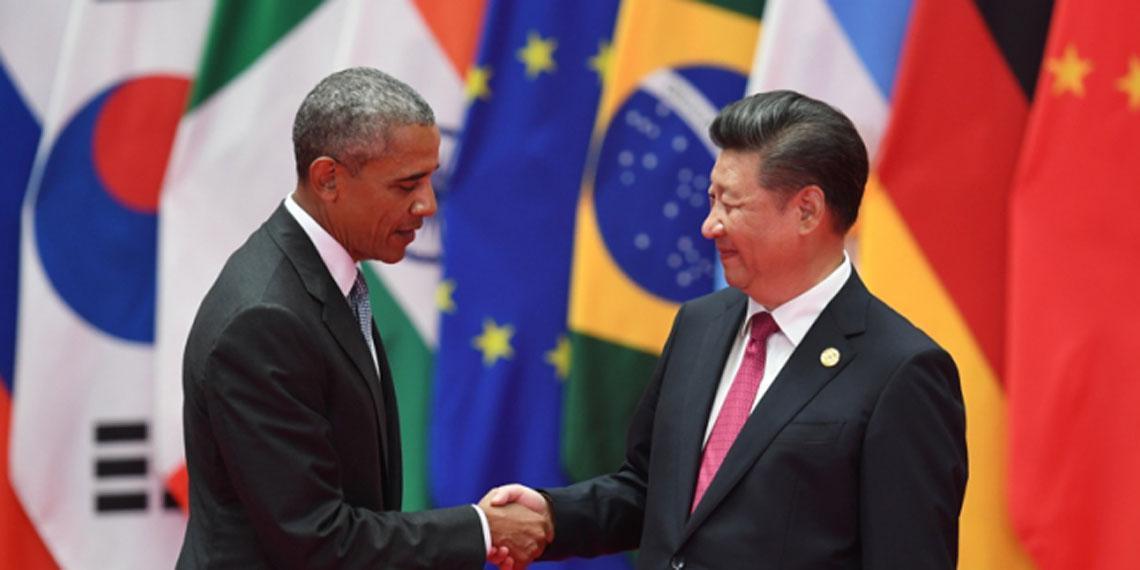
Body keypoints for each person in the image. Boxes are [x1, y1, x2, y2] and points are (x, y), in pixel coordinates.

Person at [488, 90, 968, 569]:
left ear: (807, 210)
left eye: (731, 205)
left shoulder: (902, 371)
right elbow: (655, 491)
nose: (709, 226)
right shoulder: (701, 324)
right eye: (711, 199)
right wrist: (553, 516)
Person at [177, 67, 549, 569]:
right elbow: (316, 540)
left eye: (431, 179)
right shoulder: (265, 319)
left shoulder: (328, 275)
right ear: (328, 179)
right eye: (406, 185)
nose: (428, 205)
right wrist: (481, 529)